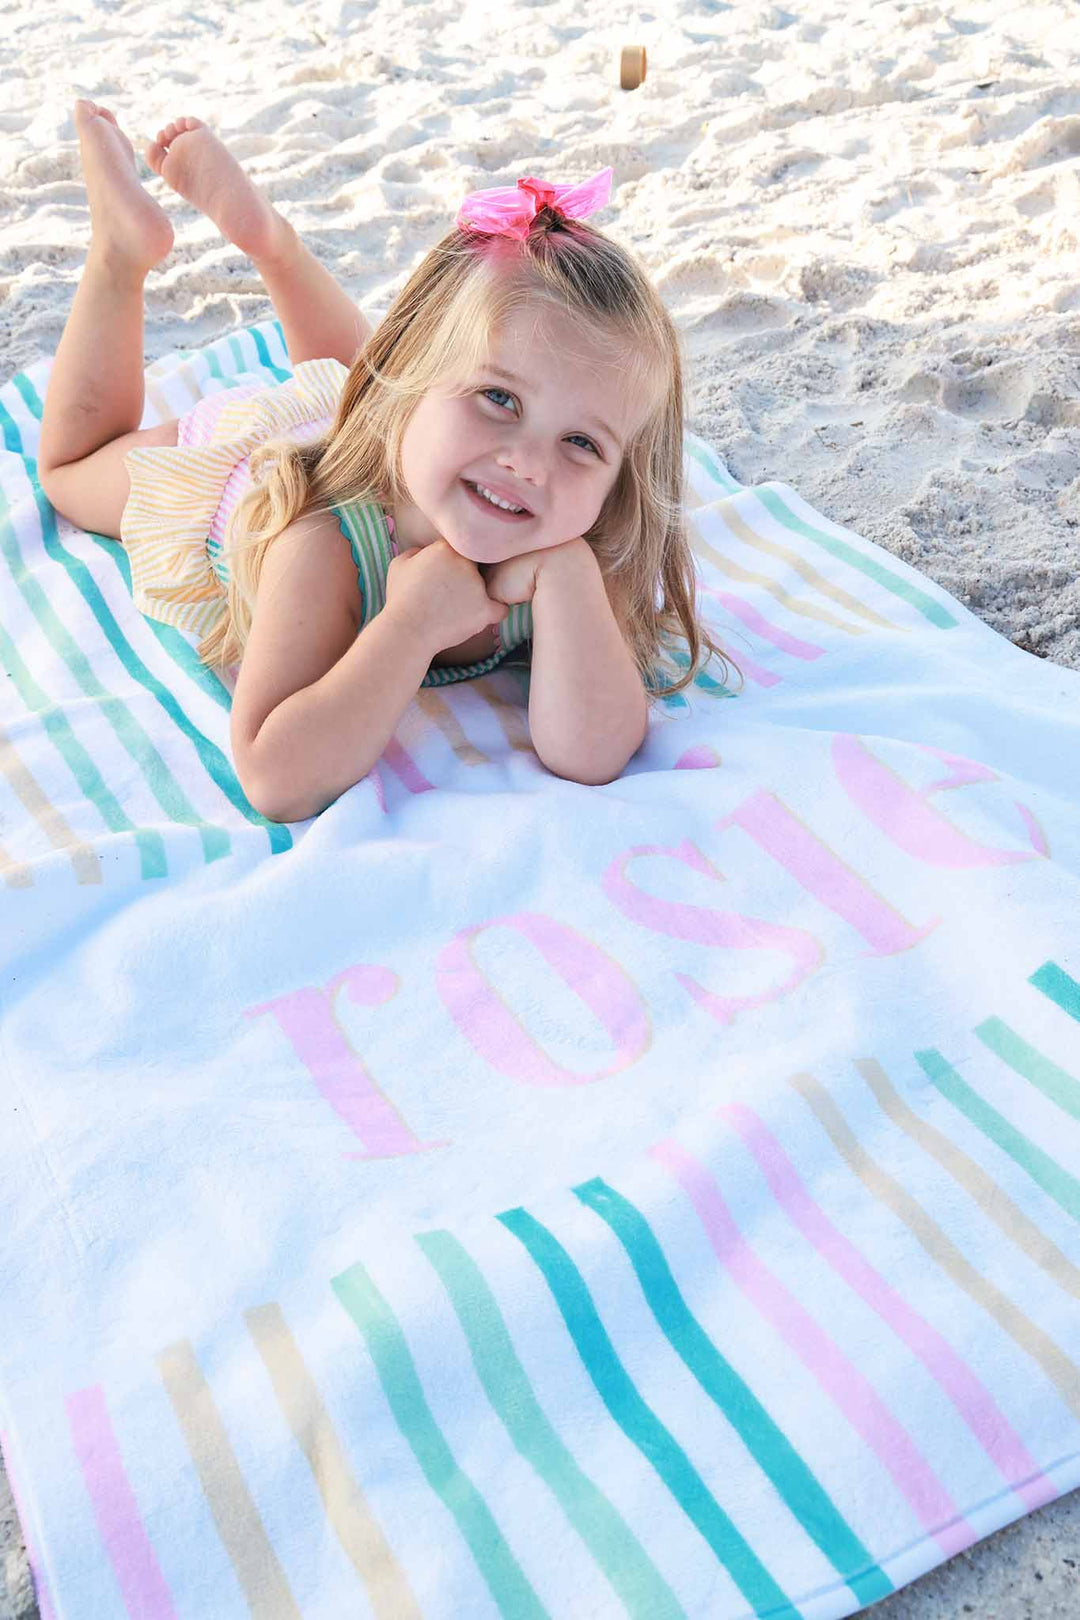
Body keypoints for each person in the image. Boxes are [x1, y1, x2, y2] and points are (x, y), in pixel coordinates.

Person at [38, 101, 740, 822]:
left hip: (395, 429)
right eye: (499, 398)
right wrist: (410, 627)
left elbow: (591, 753)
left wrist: (567, 581)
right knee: (71, 470)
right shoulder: (321, 541)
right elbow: (275, 778)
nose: (531, 465)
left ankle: (273, 245)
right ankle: (125, 251)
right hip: (255, 462)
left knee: (369, 381)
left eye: (582, 443)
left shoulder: (577, 541)